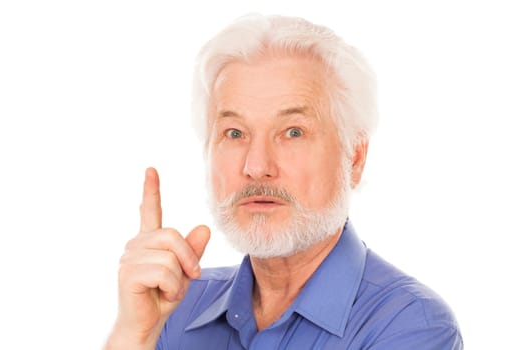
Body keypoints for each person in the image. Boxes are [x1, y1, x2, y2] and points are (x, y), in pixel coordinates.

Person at [105, 14, 463, 350]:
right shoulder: (174, 307)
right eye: (234, 132)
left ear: (354, 157)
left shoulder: (410, 324)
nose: (256, 166)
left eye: (293, 132)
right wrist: (131, 335)